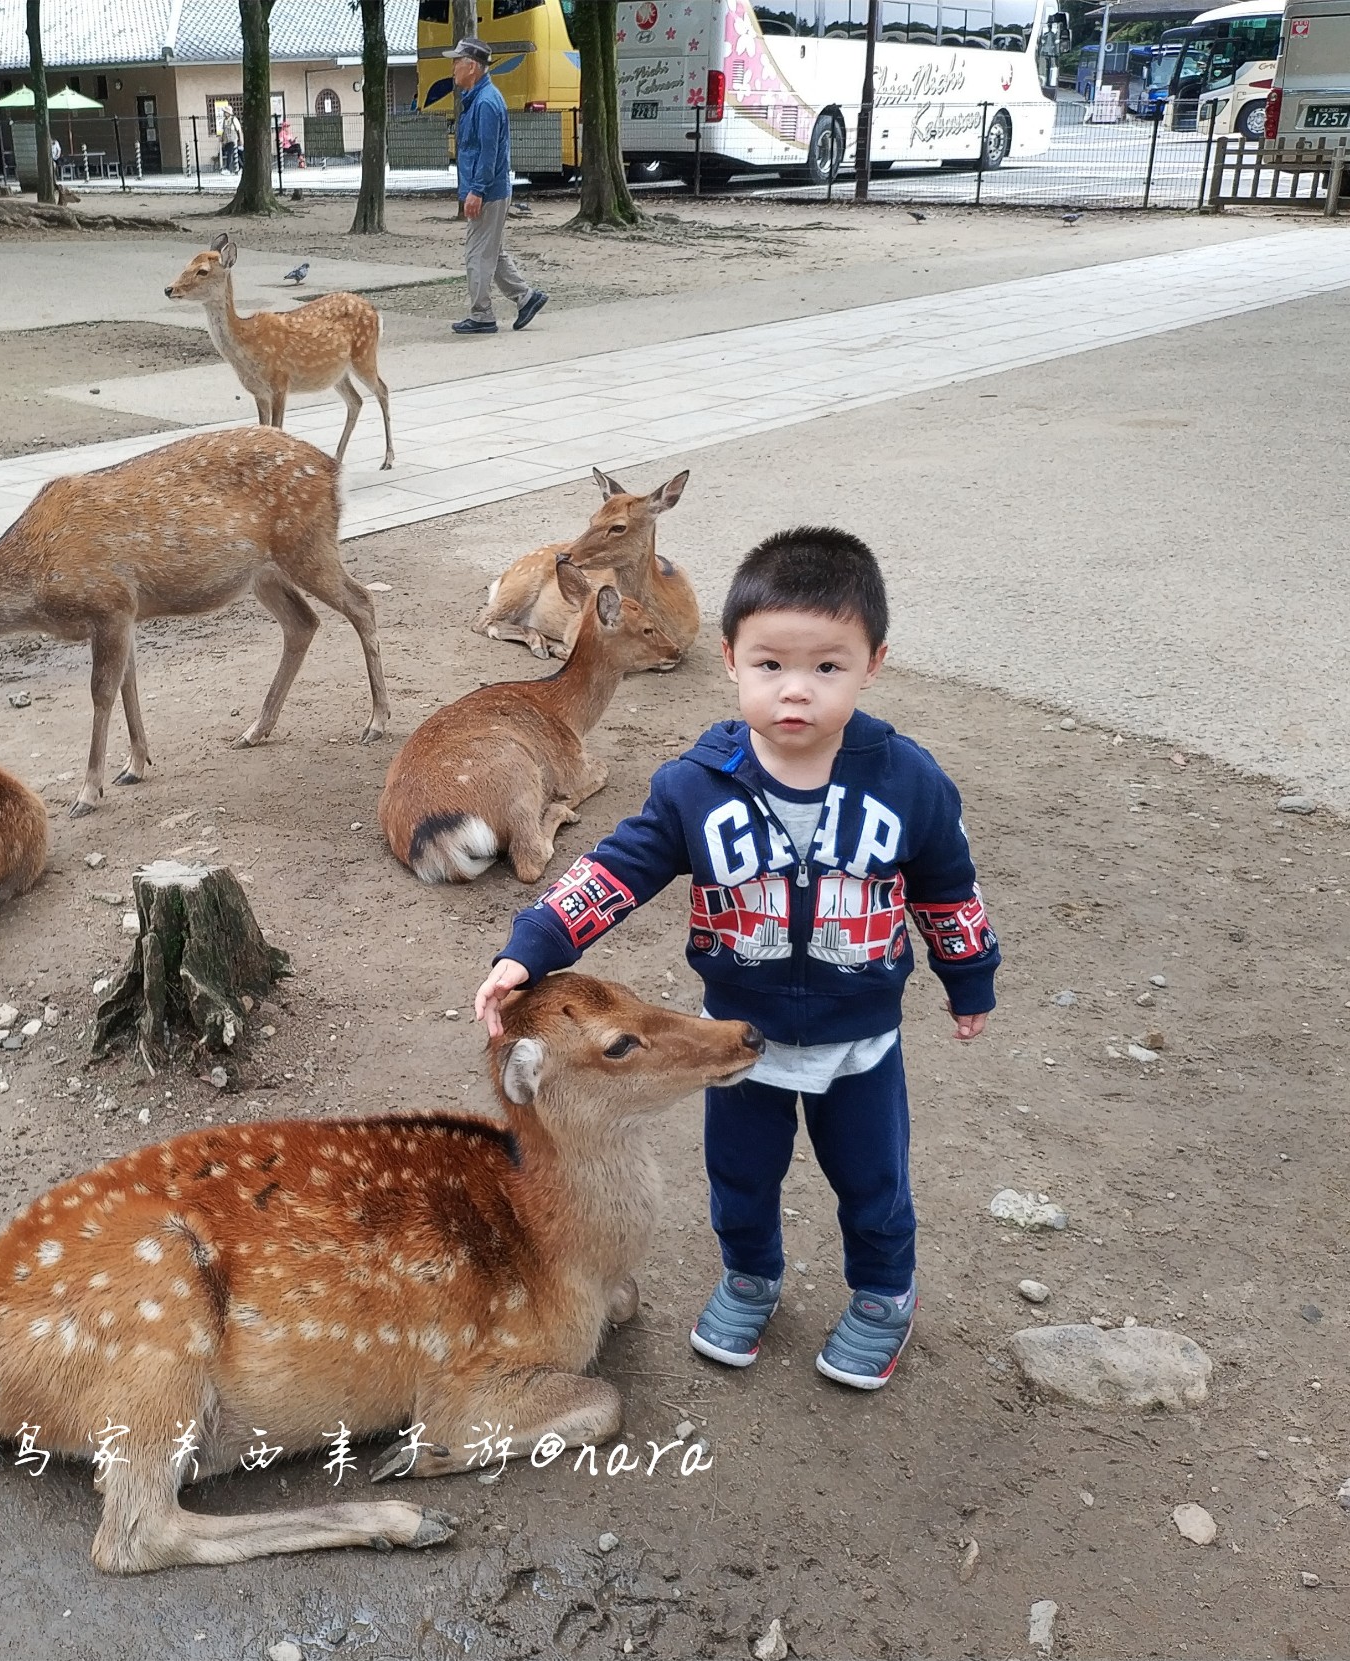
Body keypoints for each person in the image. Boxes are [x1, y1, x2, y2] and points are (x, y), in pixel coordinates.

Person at [473, 529, 1000, 1392]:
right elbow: (616, 869)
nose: (795, 690)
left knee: (873, 1179)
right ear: (729, 659)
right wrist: (528, 950)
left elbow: (947, 884)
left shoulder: (910, 782)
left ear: (873, 663)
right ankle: (750, 1278)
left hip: (858, 1044)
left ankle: (881, 1296)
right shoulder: (696, 783)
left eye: (827, 667)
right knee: (741, 1176)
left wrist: (968, 974)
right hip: (739, 1045)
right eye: (769, 665)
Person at [446, 37, 547, 336]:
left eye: (456, 62)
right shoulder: (481, 98)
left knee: (477, 253)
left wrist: (476, 190)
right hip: (490, 188)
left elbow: (489, 153)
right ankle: (526, 298)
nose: (452, 67)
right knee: (491, 249)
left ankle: (482, 315)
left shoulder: (486, 102)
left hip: (487, 190)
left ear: (472, 67)